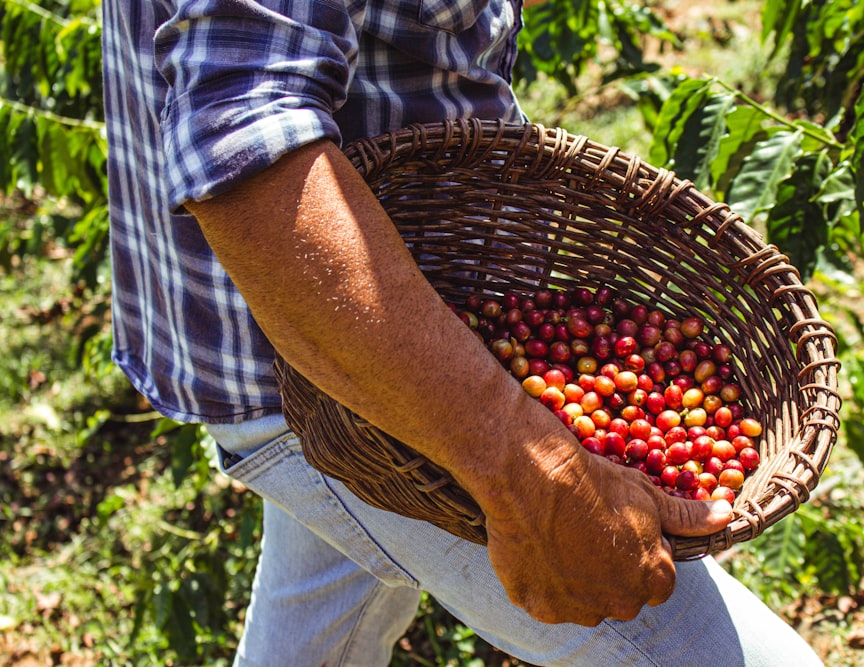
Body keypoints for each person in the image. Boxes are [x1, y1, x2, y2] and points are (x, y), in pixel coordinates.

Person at [101, 1, 825, 665]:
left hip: (415, 332)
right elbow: (244, 145)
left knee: (322, 642)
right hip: (349, 360)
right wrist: (524, 467)